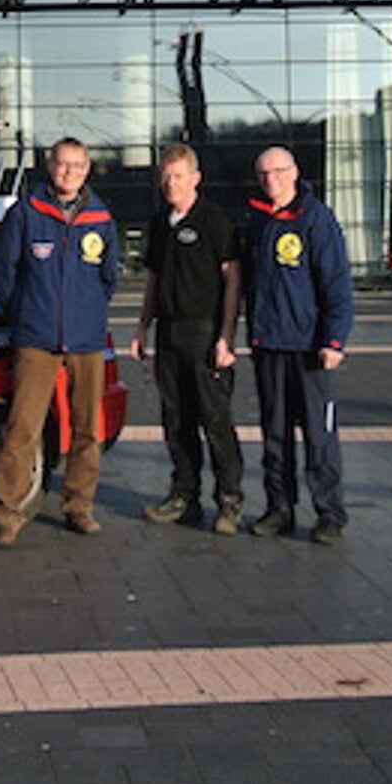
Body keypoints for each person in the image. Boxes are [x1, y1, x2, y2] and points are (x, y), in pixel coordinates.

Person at [0, 137, 121, 546]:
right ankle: (7, 515)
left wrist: (88, 315)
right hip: (36, 339)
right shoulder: (26, 213)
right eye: (63, 165)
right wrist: (26, 313)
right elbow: (2, 273)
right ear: (50, 166)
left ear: (87, 170)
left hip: (85, 340)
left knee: (86, 429)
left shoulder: (101, 217)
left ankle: (79, 507)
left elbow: (108, 279)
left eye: (77, 166)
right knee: (22, 429)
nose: (70, 172)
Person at [128, 144, 245, 534]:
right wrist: (143, 327)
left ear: (195, 178)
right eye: (165, 176)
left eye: (178, 176)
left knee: (214, 419)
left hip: (205, 331)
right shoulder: (161, 223)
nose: (170, 183)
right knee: (176, 421)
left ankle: (229, 501)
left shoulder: (215, 221)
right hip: (169, 333)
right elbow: (154, 278)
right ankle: (185, 496)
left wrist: (227, 336)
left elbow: (233, 279)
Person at [242, 146, 354, 545]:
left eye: (277, 171)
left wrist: (335, 339)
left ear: (294, 172)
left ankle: (330, 513)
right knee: (274, 435)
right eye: (263, 173)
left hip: (309, 348)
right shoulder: (256, 221)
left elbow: (337, 285)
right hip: (269, 344)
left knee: (318, 436)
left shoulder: (316, 220)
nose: (270, 179)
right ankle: (279, 508)